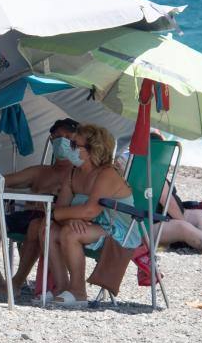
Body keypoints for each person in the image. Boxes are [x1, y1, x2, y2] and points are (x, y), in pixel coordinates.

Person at [0, 118, 79, 295]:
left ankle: (15, 283)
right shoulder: (41, 172)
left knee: (37, 225)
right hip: (22, 218)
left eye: (67, 136)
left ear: (77, 141)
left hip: (53, 221)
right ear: (50, 141)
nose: (62, 141)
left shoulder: (80, 174)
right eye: (57, 137)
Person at [47, 124, 141, 306]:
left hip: (118, 229)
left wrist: (66, 215)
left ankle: (78, 291)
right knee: (48, 230)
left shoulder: (107, 174)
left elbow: (89, 210)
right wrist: (71, 216)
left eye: (74, 145)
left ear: (93, 150)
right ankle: (62, 287)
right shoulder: (73, 172)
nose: (69, 148)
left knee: (70, 233)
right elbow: (61, 207)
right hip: (92, 224)